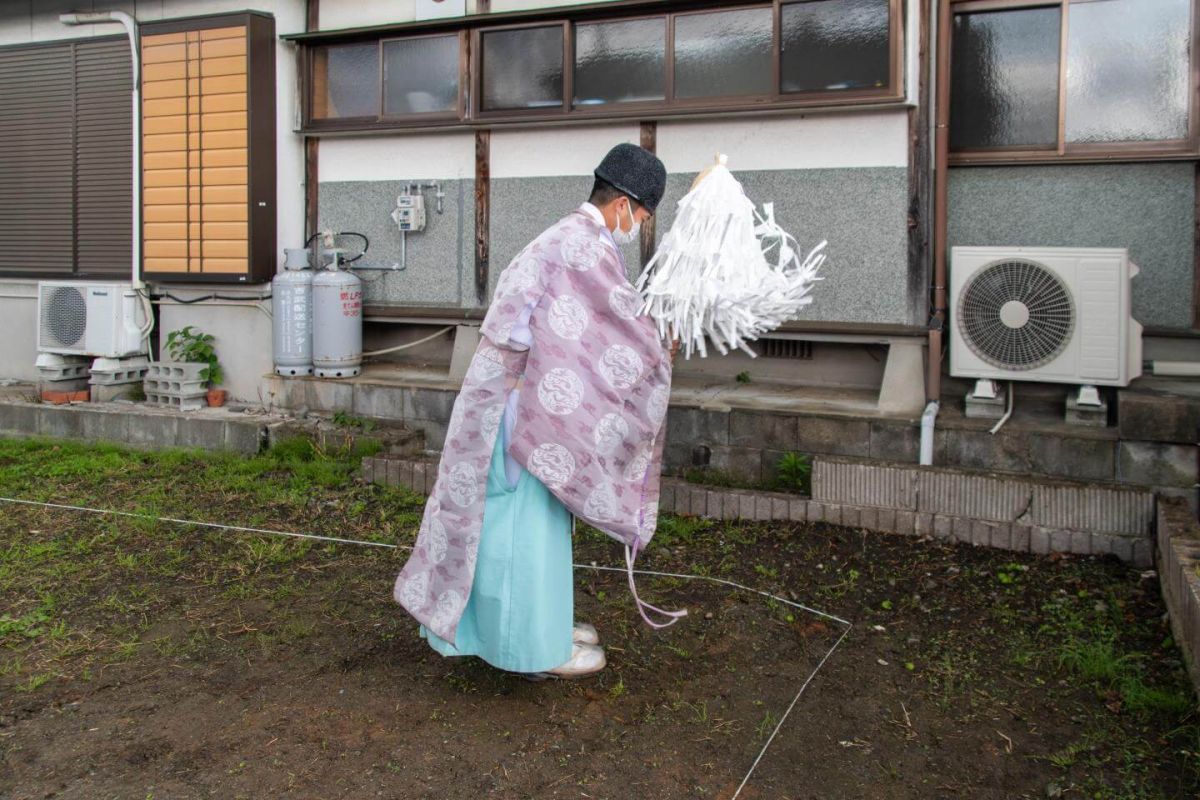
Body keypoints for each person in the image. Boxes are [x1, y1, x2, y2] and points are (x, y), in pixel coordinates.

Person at [393, 143, 679, 679]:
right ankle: (533, 647)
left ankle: (541, 624)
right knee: (521, 525)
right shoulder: (584, 247)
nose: (636, 226)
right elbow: (620, 330)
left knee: (517, 519)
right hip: (518, 403)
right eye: (640, 216)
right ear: (623, 204)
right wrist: (661, 346)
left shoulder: (567, 235)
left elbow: (597, 325)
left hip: (506, 392)